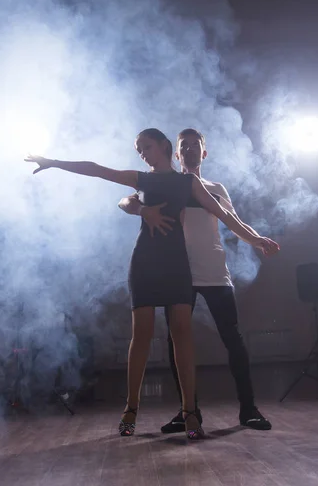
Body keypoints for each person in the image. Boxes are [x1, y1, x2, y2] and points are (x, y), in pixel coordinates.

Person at [25, 129, 278, 439]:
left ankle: (219, 411)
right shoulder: (142, 181)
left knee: (205, 337)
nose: (142, 153)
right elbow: (102, 174)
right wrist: (54, 161)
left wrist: (256, 239)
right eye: (139, 149)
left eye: (146, 147)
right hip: (157, 264)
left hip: (191, 269)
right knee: (154, 338)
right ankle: (154, 410)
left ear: (166, 147)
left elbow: (226, 215)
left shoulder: (195, 184)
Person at [119, 128, 279, 432]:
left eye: (196, 145)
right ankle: (188, 412)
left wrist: (258, 240)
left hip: (215, 272)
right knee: (174, 343)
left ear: (204, 153)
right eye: (184, 146)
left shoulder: (216, 188)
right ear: (175, 153)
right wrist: (140, 208)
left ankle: (249, 410)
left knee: (233, 340)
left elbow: (233, 221)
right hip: (179, 272)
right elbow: (128, 200)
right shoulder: (165, 184)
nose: (190, 149)